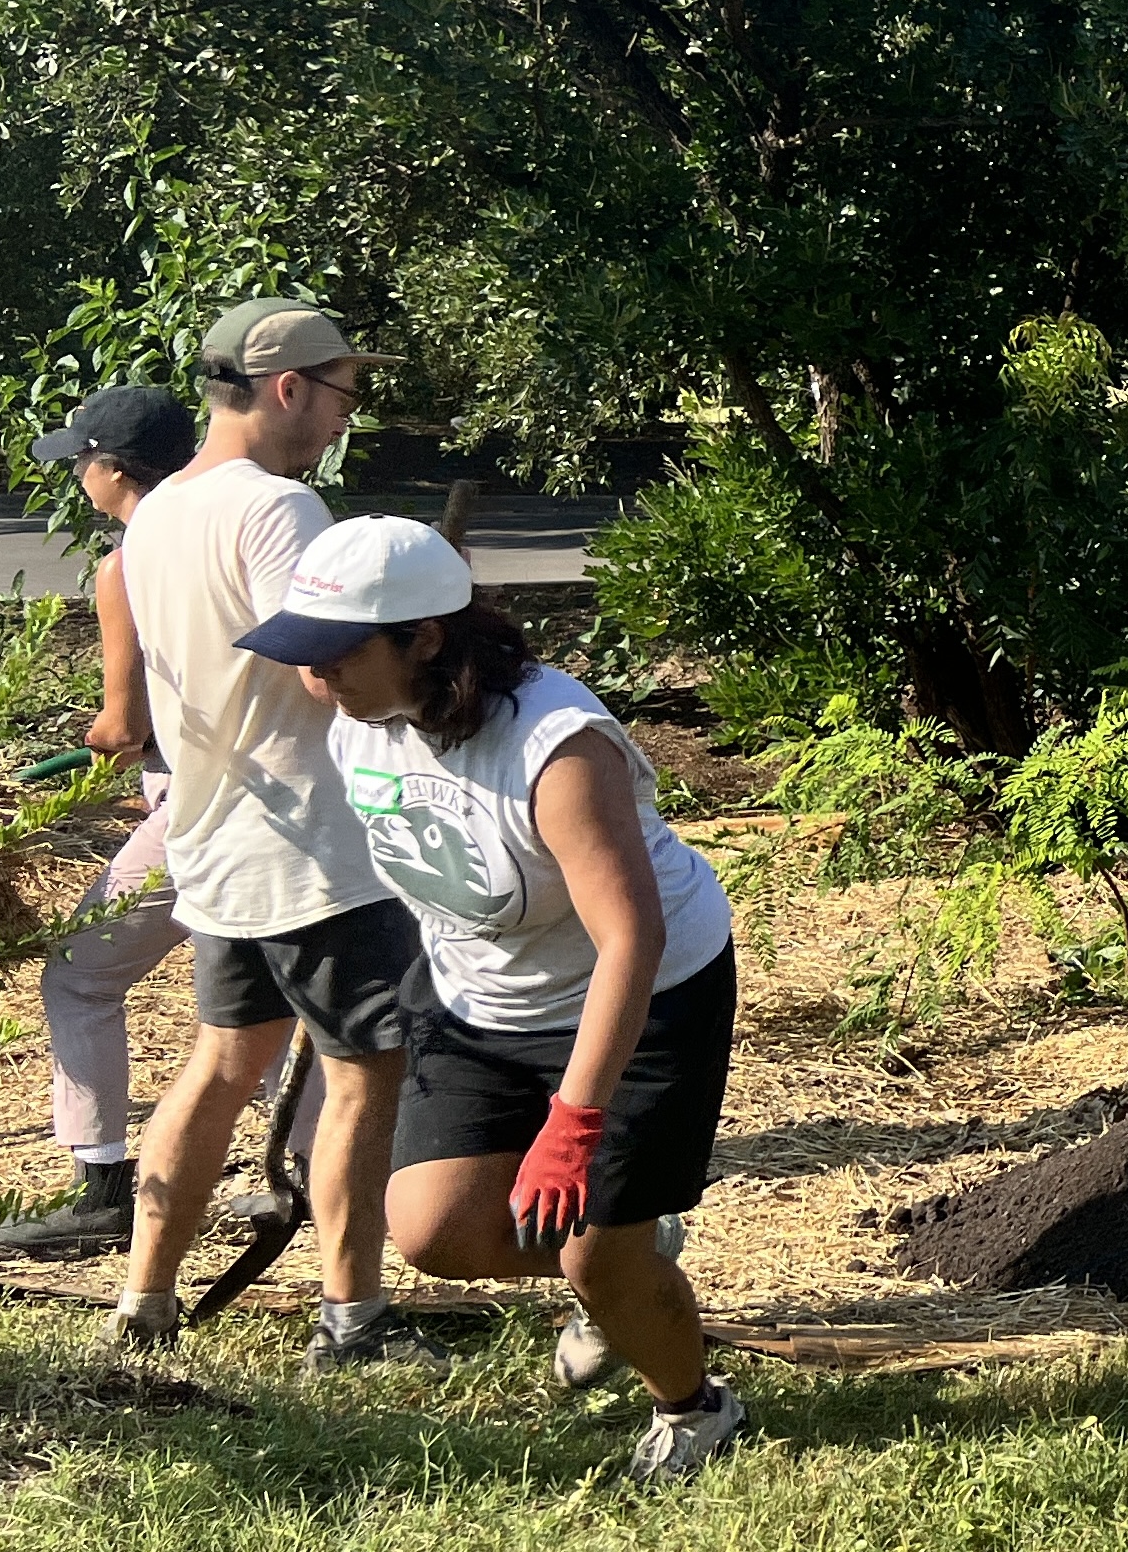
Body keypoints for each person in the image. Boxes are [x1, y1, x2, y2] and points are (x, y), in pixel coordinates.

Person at [239, 516, 747, 1476]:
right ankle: (629, 1257)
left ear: (426, 639)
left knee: (599, 1257)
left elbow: (628, 939)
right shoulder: (365, 721)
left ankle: (693, 1408)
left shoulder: (556, 748)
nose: (314, 677)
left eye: (335, 653)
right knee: (433, 1229)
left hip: (643, 996)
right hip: (480, 1001)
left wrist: (576, 1120)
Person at [105, 299, 440, 1373]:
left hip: (212, 841)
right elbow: (319, 669)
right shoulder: (281, 511)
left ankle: (146, 1298)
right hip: (318, 852)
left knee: (219, 1064)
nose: (348, 413)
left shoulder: (156, 512)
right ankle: (352, 1321)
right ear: (288, 388)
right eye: (343, 390)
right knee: (362, 1075)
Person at [0, 387, 321, 1255]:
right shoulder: (228, 525)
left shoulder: (129, 560)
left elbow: (124, 728)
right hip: (291, 796)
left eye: (82, 461)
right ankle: (314, 1172)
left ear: (115, 470)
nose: (79, 477)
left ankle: (101, 1183)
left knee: (81, 976)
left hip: (201, 803)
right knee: (288, 991)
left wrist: (92, 747)